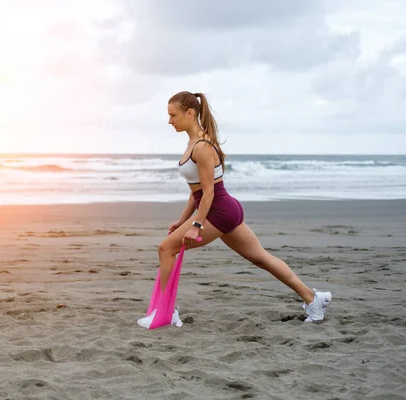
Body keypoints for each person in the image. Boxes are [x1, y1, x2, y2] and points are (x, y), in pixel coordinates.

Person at [137, 91, 332, 328]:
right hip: (221, 210)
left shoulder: (202, 146)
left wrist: (196, 226)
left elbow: (208, 193)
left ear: (190, 113)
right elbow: (195, 192)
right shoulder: (192, 143)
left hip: (219, 212)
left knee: (166, 248)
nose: (169, 121)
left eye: (173, 115)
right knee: (262, 259)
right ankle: (314, 299)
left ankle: (165, 312)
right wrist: (182, 221)